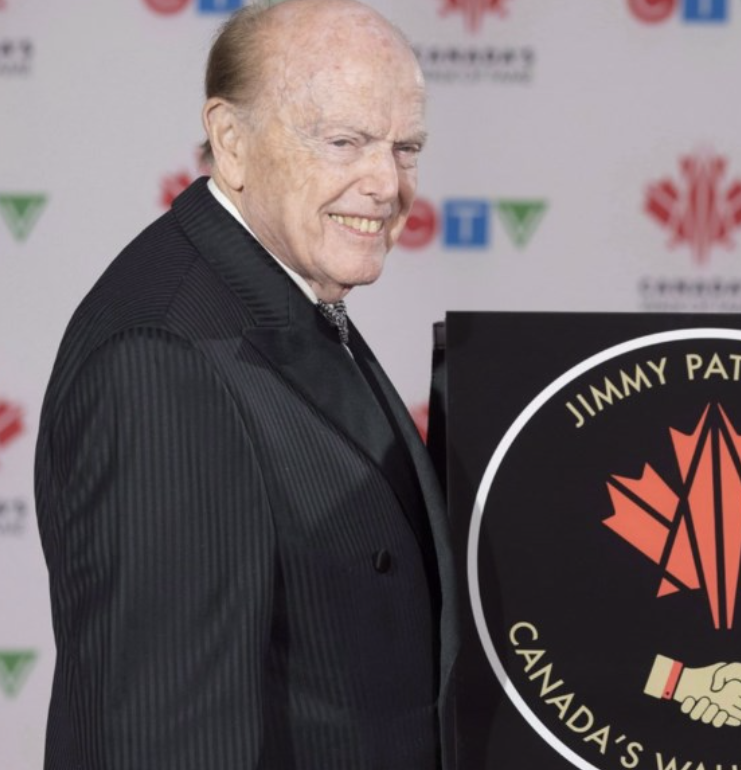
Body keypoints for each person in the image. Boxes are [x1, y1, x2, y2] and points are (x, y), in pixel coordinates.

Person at [33, 1, 457, 768]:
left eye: (406, 148)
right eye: (344, 141)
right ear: (231, 142)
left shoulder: (280, 290)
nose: (386, 183)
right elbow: (161, 739)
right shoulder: (164, 358)